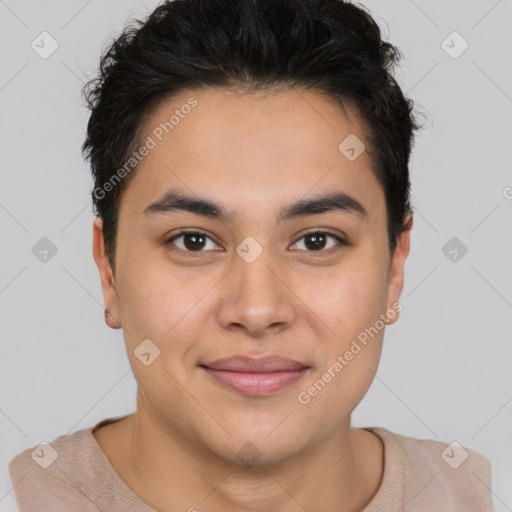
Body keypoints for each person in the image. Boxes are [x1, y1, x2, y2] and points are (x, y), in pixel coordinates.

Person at [8, 0, 495, 510]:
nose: (257, 311)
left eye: (316, 240)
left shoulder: (474, 492)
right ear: (108, 269)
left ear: (395, 266)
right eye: (193, 241)